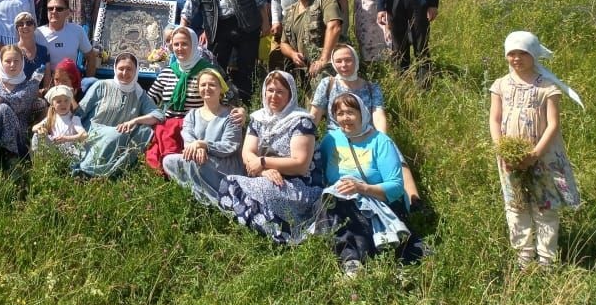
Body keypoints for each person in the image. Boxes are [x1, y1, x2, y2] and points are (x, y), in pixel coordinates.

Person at [489, 31, 581, 269]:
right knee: (516, 204)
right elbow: (495, 120)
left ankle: (546, 260)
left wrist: (534, 155)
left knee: (545, 205)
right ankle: (524, 257)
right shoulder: (500, 85)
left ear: (534, 54)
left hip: (542, 157)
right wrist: (502, 149)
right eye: (512, 53)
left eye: (523, 53)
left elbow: (553, 124)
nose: (516, 58)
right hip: (510, 158)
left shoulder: (547, 87)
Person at [315, 92, 425, 276]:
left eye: (350, 112)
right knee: (328, 202)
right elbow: (319, 171)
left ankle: (356, 258)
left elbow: (396, 186)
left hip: (377, 201)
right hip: (340, 199)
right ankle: (351, 261)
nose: (345, 118)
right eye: (340, 113)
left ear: (362, 114)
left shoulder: (381, 142)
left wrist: (362, 188)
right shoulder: (330, 140)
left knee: (347, 206)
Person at [217, 71, 322, 244]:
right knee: (230, 183)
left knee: (248, 189)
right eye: (270, 90)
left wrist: (263, 162)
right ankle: (270, 230)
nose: (274, 96)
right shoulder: (258, 119)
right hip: (266, 177)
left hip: (298, 185)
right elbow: (247, 153)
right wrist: (263, 171)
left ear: (290, 95)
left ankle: (283, 234)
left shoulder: (301, 121)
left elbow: (300, 164)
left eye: (280, 92)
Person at [310, 44, 421, 205]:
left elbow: (378, 114)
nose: (343, 65)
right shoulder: (328, 84)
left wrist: (381, 138)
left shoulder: (371, 87)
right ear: (333, 63)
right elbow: (315, 114)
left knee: (393, 153)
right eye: (338, 61)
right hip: (337, 136)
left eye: (348, 60)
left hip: (367, 134)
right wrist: (307, 136)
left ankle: (413, 201)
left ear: (356, 61)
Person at [181, 0, 270, 105]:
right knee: (216, 67)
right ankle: (221, 103)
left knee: (246, 68)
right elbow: (190, 5)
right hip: (218, 27)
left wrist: (265, 21)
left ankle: (245, 104)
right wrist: (182, 29)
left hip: (246, 22)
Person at [143, 26, 227, 175]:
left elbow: (226, 98)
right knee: (164, 133)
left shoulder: (207, 72)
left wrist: (240, 111)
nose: (179, 48)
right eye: (176, 44)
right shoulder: (168, 72)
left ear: (194, 44)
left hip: (197, 127)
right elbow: (149, 101)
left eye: (184, 44)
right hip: (169, 127)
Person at [71, 53, 162, 178]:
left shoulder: (139, 94)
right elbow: (80, 112)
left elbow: (158, 114)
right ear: (115, 69)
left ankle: (116, 169)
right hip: (95, 132)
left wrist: (135, 121)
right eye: (121, 69)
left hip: (122, 134)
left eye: (129, 69)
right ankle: (88, 170)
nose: (124, 73)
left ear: (136, 71)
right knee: (117, 134)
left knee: (145, 131)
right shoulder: (102, 86)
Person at [162, 67, 243, 207]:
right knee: (168, 161)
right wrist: (198, 148)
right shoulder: (192, 115)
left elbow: (230, 146)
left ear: (221, 89)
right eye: (203, 85)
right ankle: (199, 192)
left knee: (197, 163)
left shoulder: (232, 115)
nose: (207, 88)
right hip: (197, 158)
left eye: (212, 84)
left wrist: (204, 145)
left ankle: (209, 199)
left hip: (223, 164)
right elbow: (188, 138)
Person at [279, 0, 344, 91]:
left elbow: (334, 26)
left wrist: (323, 60)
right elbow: (283, 43)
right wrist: (293, 54)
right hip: (304, 73)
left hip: (327, 68)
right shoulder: (290, 11)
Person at [0, 45, 44, 159]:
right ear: (1, 63)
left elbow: (18, 101)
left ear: (22, 62)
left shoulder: (30, 86)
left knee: (3, 107)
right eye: (8, 61)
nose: (12, 65)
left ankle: (11, 157)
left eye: (16, 61)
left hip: (18, 139)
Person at [37, 0, 98, 75]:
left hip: (69, 79)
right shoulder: (37, 33)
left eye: (59, 9)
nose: (54, 11)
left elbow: (91, 57)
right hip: (45, 79)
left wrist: (88, 80)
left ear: (67, 12)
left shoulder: (77, 30)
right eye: (50, 8)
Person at [32, 85, 87, 156]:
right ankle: (39, 159)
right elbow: (34, 128)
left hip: (70, 151)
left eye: (66, 100)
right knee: (36, 135)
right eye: (59, 101)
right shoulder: (52, 118)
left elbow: (84, 135)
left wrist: (67, 139)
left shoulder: (74, 118)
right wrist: (41, 129)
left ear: (70, 102)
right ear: (53, 105)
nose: (63, 104)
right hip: (54, 149)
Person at [12, 11, 51, 86]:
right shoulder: (11, 50)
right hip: (15, 92)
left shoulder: (44, 51)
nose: (25, 26)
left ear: (34, 27)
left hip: (39, 93)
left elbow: (47, 80)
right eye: (20, 24)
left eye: (29, 23)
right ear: (17, 29)